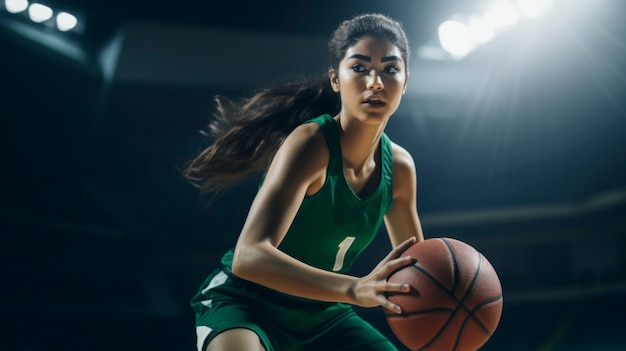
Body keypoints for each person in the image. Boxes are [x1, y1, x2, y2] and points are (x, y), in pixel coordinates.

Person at [185, 13, 424, 351]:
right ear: (335, 80)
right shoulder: (312, 144)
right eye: (359, 68)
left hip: (325, 316)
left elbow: (420, 271)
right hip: (247, 303)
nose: (375, 82)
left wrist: (446, 313)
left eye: (390, 68)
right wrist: (355, 289)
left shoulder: (399, 167)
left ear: (405, 81)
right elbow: (249, 256)